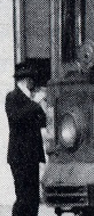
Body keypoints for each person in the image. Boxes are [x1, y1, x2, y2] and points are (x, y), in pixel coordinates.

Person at [6, 62, 47, 216]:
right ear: (26, 80)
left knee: (33, 199)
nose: (34, 83)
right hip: (19, 156)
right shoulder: (12, 97)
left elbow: (42, 120)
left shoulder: (31, 100)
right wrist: (35, 103)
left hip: (32, 156)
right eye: (32, 79)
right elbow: (15, 117)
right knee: (23, 198)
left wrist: (39, 105)